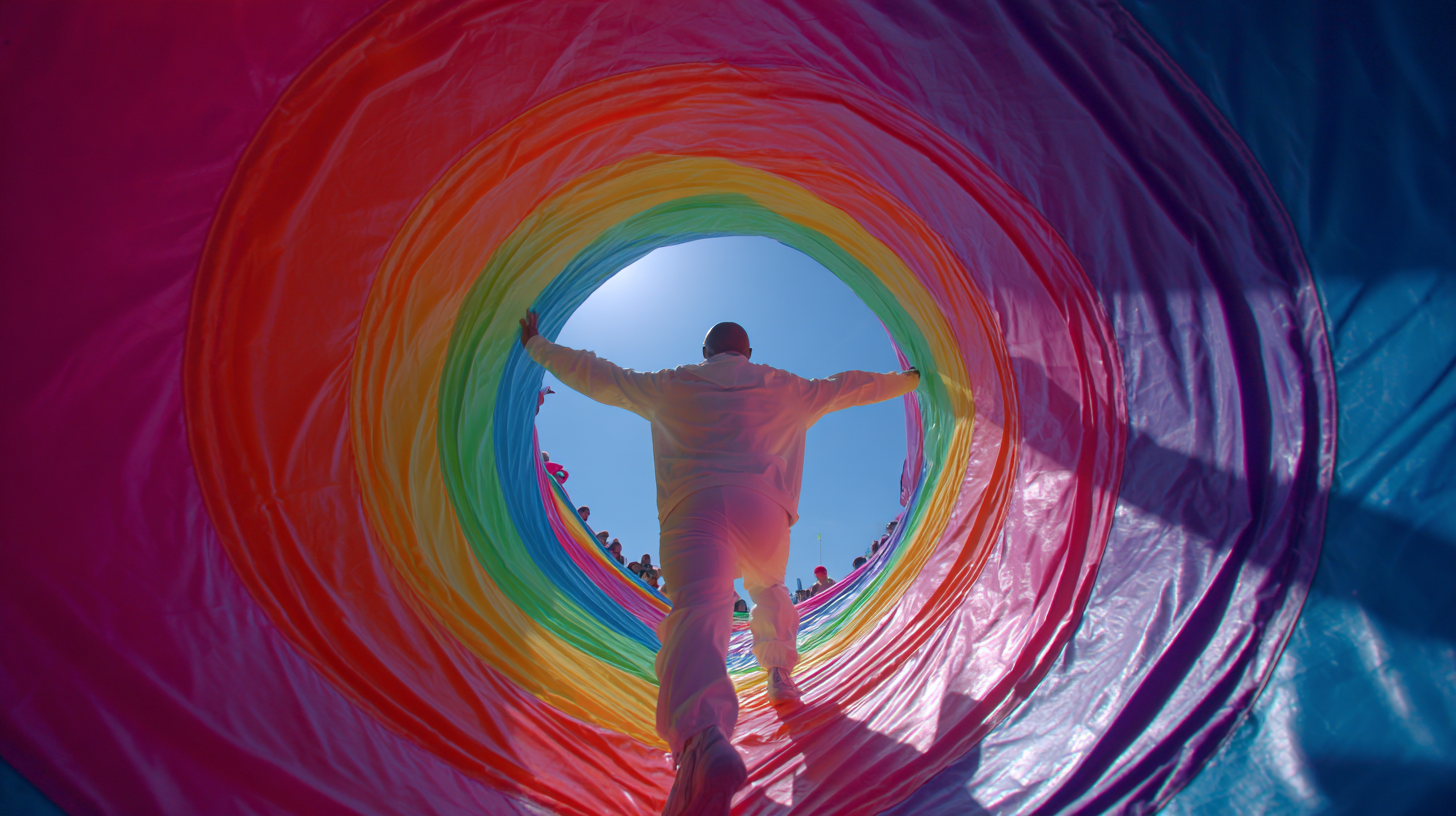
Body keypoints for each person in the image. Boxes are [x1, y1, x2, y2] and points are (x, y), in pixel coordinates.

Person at [519, 311, 918, 814]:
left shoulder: (672, 384)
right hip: (764, 509)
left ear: (705, 353)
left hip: (694, 506)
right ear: (747, 353)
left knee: (698, 611)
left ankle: (703, 739)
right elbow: (851, 387)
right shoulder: (787, 386)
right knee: (770, 586)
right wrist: (908, 380)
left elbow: (600, 376)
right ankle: (779, 674)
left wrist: (537, 346)